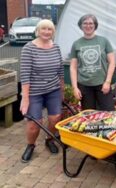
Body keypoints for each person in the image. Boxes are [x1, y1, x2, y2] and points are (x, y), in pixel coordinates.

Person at [20, 19, 64, 163]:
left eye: (49, 29)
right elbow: (25, 74)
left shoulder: (56, 47)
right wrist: (25, 98)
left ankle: (49, 139)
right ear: (38, 31)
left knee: (55, 118)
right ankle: (31, 145)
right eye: (43, 29)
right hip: (34, 92)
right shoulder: (29, 48)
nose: (46, 32)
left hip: (53, 90)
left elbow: (60, 71)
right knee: (34, 123)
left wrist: (62, 91)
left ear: (53, 32)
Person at [70, 14, 116, 111]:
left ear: (95, 25)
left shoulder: (104, 41)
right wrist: (75, 87)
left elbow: (112, 62)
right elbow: (73, 67)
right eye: (85, 23)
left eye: (91, 23)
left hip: (102, 84)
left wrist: (107, 82)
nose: (88, 26)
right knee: (89, 115)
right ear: (81, 26)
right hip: (84, 85)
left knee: (109, 112)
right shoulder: (76, 44)